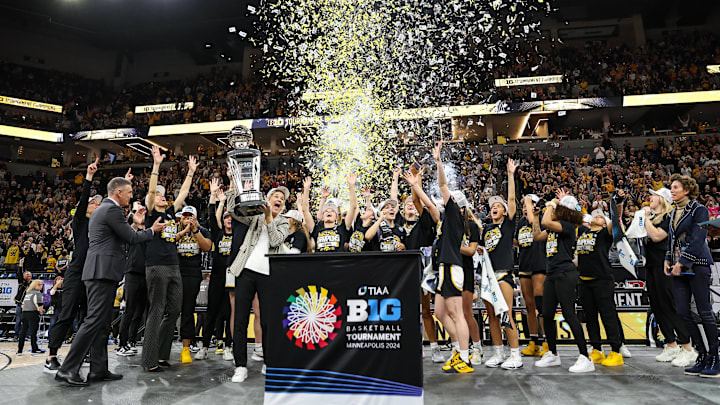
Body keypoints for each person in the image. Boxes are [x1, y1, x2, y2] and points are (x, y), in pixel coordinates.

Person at [55, 177, 162, 387]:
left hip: (100, 271)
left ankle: (98, 369)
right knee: (94, 320)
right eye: (129, 192)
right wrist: (151, 230)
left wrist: (135, 225)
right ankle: (67, 369)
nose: (132, 196)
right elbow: (131, 238)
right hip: (101, 272)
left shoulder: (103, 210)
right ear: (119, 192)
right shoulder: (112, 210)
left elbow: (120, 235)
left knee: (102, 323)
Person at [226, 183, 290, 383]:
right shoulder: (254, 217)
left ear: (283, 205)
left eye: (282, 198)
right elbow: (231, 210)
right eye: (275, 196)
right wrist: (237, 190)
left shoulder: (283, 223)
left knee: (267, 321)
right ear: (267, 200)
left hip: (268, 274)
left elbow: (276, 241)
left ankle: (268, 363)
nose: (279, 198)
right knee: (240, 319)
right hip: (245, 271)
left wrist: (270, 218)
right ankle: (240, 366)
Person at [141, 146, 197, 372]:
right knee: (156, 310)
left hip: (174, 265)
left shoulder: (169, 215)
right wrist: (156, 165)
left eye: (165, 196)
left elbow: (183, 194)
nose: (163, 197)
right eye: (159, 197)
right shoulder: (152, 214)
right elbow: (152, 191)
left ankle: (162, 355)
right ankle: (149, 360)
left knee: (174, 310)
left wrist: (191, 172)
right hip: (156, 266)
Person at [46, 158, 102, 372]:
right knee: (67, 313)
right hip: (77, 271)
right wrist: (89, 177)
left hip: (93, 273)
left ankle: (84, 353)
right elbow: (84, 201)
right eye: (93, 202)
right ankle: (51, 355)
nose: (96, 204)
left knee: (89, 316)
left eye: (99, 202)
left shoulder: (102, 224)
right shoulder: (80, 221)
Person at [533, 190, 594, 373]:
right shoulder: (555, 227)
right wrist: (535, 217)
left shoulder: (568, 225)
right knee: (547, 314)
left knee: (569, 314)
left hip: (565, 273)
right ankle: (552, 353)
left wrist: (552, 204)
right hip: (552, 274)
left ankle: (585, 356)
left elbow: (546, 222)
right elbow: (537, 236)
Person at [664, 174, 718, 377]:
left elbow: (698, 239)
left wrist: (682, 261)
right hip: (679, 266)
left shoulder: (699, 209)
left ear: (687, 190)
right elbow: (671, 239)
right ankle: (702, 354)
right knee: (681, 312)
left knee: (704, 312)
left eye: (676, 187)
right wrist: (667, 259)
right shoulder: (673, 212)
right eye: (671, 187)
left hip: (698, 265)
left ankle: (715, 356)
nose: (672, 190)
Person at [431, 140, 473, 374]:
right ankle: (458, 349)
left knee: (456, 314)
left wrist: (438, 162)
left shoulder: (455, 213)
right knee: (439, 313)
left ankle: (464, 357)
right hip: (446, 267)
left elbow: (443, 185)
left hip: (452, 267)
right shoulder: (451, 219)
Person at [642, 187, 692, 365]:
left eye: (653, 196)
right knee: (657, 305)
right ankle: (671, 344)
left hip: (665, 265)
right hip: (651, 264)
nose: (650, 198)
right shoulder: (654, 218)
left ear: (661, 199)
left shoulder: (668, 218)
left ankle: (687, 346)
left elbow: (656, 236)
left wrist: (645, 218)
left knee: (669, 304)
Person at [480, 159, 522, 369]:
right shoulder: (486, 229)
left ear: (505, 211)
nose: (494, 207)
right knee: (492, 317)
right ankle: (498, 353)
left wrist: (511, 175)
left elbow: (512, 199)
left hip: (504, 274)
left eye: (498, 206)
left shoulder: (507, 225)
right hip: (488, 277)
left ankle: (516, 355)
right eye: (492, 206)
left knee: (506, 314)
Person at [401, 167, 441, 362]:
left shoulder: (425, 221)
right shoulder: (398, 225)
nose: (410, 204)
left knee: (427, 310)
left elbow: (417, 201)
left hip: (425, 268)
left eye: (412, 204)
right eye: (406, 204)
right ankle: (412, 346)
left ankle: (434, 347)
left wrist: (415, 184)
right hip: (405, 270)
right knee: (407, 311)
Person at [576, 209, 624, 367]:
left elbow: (615, 222)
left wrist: (617, 206)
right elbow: (574, 218)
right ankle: (596, 348)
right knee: (590, 317)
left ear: (605, 222)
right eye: (594, 214)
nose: (597, 215)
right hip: (584, 280)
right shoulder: (583, 230)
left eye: (601, 216)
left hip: (602, 280)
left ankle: (616, 351)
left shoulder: (604, 233)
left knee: (607, 316)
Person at [196, 180, 236, 361]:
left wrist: (233, 187)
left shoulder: (239, 235)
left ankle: (228, 346)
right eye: (226, 217)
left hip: (233, 277)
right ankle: (204, 346)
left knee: (229, 313)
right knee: (211, 311)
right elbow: (212, 217)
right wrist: (213, 196)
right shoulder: (219, 234)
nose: (229, 220)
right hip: (218, 276)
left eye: (231, 218)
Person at [175, 205, 211, 363]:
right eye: (185, 216)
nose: (187, 218)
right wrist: (183, 231)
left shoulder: (201, 231)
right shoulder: (174, 229)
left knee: (188, 309)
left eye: (190, 216)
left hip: (192, 273)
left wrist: (195, 230)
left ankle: (186, 347)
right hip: (174, 272)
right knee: (172, 309)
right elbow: (168, 241)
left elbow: (207, 247)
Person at [516, 194, 548, 357]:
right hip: (524, 264)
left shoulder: (541, 218)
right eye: (524, 205)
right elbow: (516, 241)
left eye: (528, 205)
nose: (525, 207)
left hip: (539, 264)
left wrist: (528, 202)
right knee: (528, 306)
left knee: (541, 305)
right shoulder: (521, 222)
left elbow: (531, 222)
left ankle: (547, 343)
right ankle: (533, 341)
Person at [117, 202, 149, 356]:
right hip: (132, 273)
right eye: (138, 213)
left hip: (147, 274)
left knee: (140, 311)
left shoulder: (150, 231)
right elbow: (130, 232)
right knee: (129, 309)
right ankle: (121, 343)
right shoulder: (132, 231)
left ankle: (131, 341)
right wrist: (135, 220)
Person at [301, 176, 356, 252]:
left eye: (332, 210)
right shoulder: (316, 230)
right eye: (326, 210)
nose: (329, 211)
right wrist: (306, 189)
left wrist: (351, 186)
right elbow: (305, 211)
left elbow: (353, 207)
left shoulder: (342, 229)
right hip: (321, 263)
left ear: (337, 217)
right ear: (322, 217)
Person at [17, 280, 45, 355]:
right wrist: (40, 312)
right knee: (33, 332)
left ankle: (19, 350)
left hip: (25, 313)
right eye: (40, 284)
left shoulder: (28, 293)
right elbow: (40, 305)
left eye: (42, 285)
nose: (41, 286)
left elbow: (22, 305)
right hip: (32, 313)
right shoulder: (37, 293)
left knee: (23, 332)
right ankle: (34, 349)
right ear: (35, 285)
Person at [14, 270, 32, 341]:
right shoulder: (22, 282)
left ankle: (27, 335)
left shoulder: (32, 284)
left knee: (28, 320)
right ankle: (16, 335)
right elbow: (19, 274)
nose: (29, 276)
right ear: (24, 276)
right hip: (20, 303)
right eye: (27, 275)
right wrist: (21, 265)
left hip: (28, 304)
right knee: (18, 320)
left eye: (30, 275)